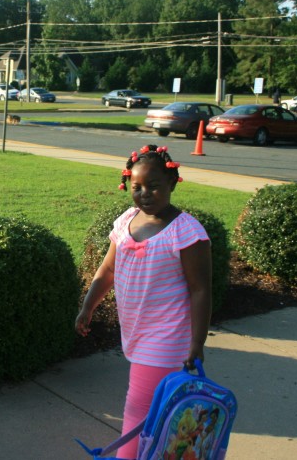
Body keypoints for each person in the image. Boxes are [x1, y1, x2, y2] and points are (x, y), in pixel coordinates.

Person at [75, 144, 212, 460]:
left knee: (137, 406)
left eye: (154, 186)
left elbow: (201, 290)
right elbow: (108, 269)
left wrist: (197, 343)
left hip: (168, 336)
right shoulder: (126, 220)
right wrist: (88, 306)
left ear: (172, 184)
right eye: (136, 187)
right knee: (157, 412)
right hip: (137, 330)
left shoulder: (186, 231)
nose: (145, 193)